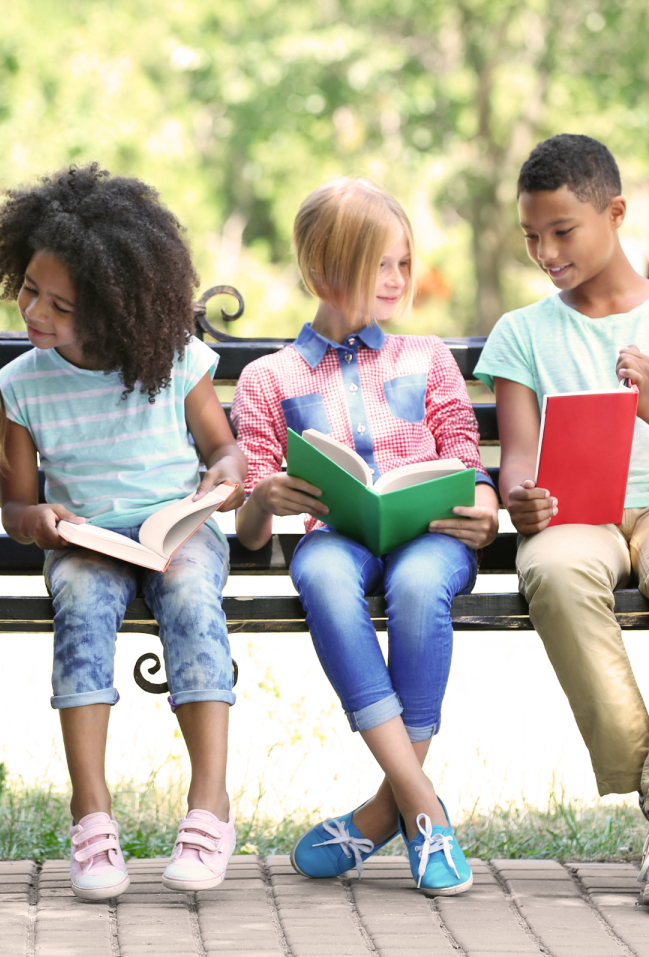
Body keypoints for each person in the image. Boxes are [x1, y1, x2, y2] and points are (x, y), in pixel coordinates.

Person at [474, 134, 649, 913]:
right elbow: (520, 459)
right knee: (553, 569)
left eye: (563, 231)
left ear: (616, 213)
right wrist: (522, 497)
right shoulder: (523, 333)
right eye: (532, 236)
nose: (546, 251)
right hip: (578, 511)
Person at [0, 164, 247, 900]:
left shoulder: (172, 363)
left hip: (178, 529)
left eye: (62, 306)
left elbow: (222, 448)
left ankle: (210, 803)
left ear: (116, 311)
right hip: (87, 540)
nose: (36, 312)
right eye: (30, 289)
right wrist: (39, 521)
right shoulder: (24, 385)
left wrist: (223, 475)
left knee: (194, 601)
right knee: (81, 610)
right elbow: (15, 508)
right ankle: (91, 810)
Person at [233, 177, 497, 896]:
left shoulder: (426, 356)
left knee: (416, 587)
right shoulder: (267, 379)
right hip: (337, 534)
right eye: (379, 262)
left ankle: (390, 811)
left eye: (403, 263)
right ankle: (422, 809)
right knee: (319, 575)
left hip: (430, 533)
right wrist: (263, 496)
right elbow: (253, 533)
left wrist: (484, 505)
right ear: (324, 269)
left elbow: (466, 455)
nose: (396, 279)